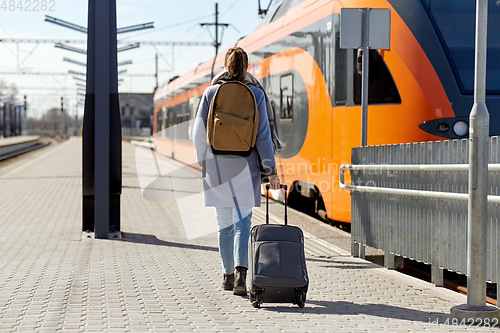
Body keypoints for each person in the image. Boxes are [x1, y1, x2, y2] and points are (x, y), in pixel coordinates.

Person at [193, 47, 280, 296]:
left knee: (223, 225)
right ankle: (242, 276)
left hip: (217, 166)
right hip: (247, 165)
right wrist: (270, 170)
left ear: (225, 65)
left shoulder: (211, 92)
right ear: (246, 67)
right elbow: (263, 135)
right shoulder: (256, 93)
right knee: (243, 223)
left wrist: (204, 161)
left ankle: (227, 276)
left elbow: (198, 133)